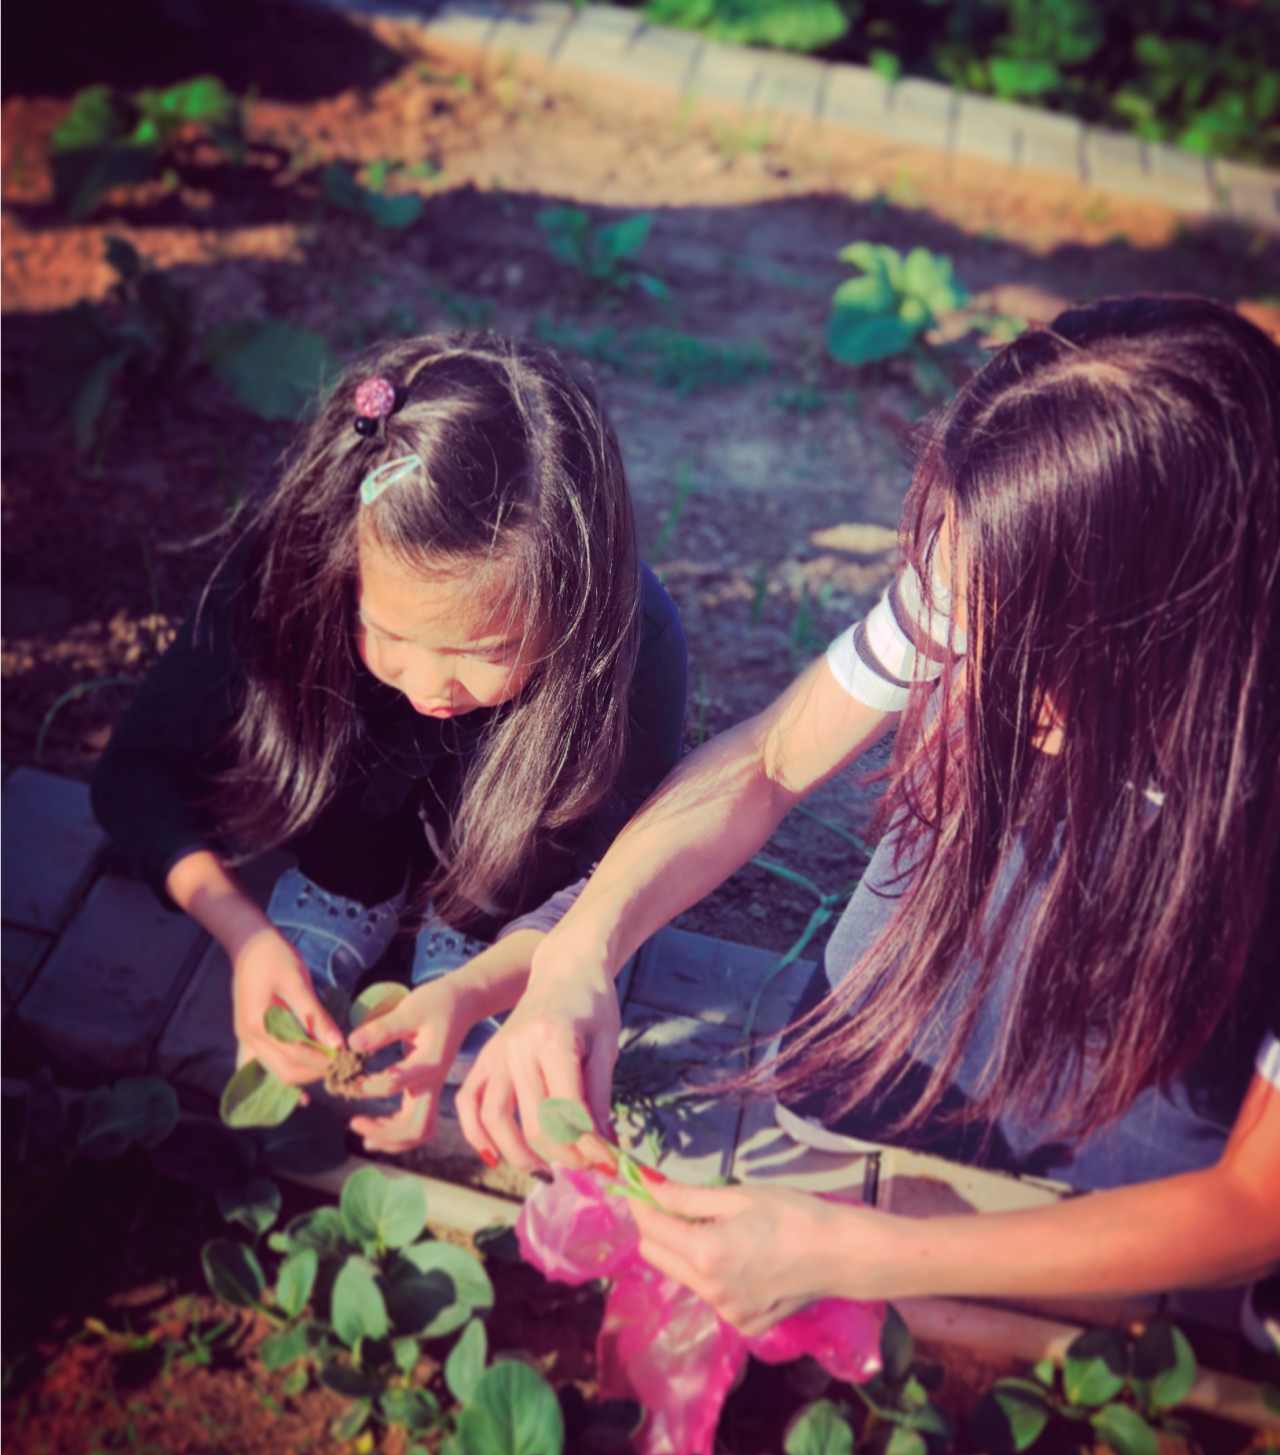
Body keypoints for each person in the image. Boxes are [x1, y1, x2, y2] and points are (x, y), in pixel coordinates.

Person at [456, 296, 1280, 1333]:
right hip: (945, 1022)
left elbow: (1252, 1204)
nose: (957, 665)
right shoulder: (989, 564)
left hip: (1155, 1118)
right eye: (951, 618)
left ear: (1180, 623)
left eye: (1018, 653)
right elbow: (763, 759)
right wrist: (578, 950)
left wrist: (859, 1255)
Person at [92, 333, 687, 1154]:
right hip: (346, 824)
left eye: (485, 651)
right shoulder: (293, 568)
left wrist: (479, 988)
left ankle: (479, 924)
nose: (433, 682)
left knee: (542, 835)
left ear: (571, 604)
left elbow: (623, 878)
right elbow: (133, 772)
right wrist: (241, 929)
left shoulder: (632, 640)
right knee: (347, 773)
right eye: (392, 633)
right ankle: (348, 883)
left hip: (523, 892)